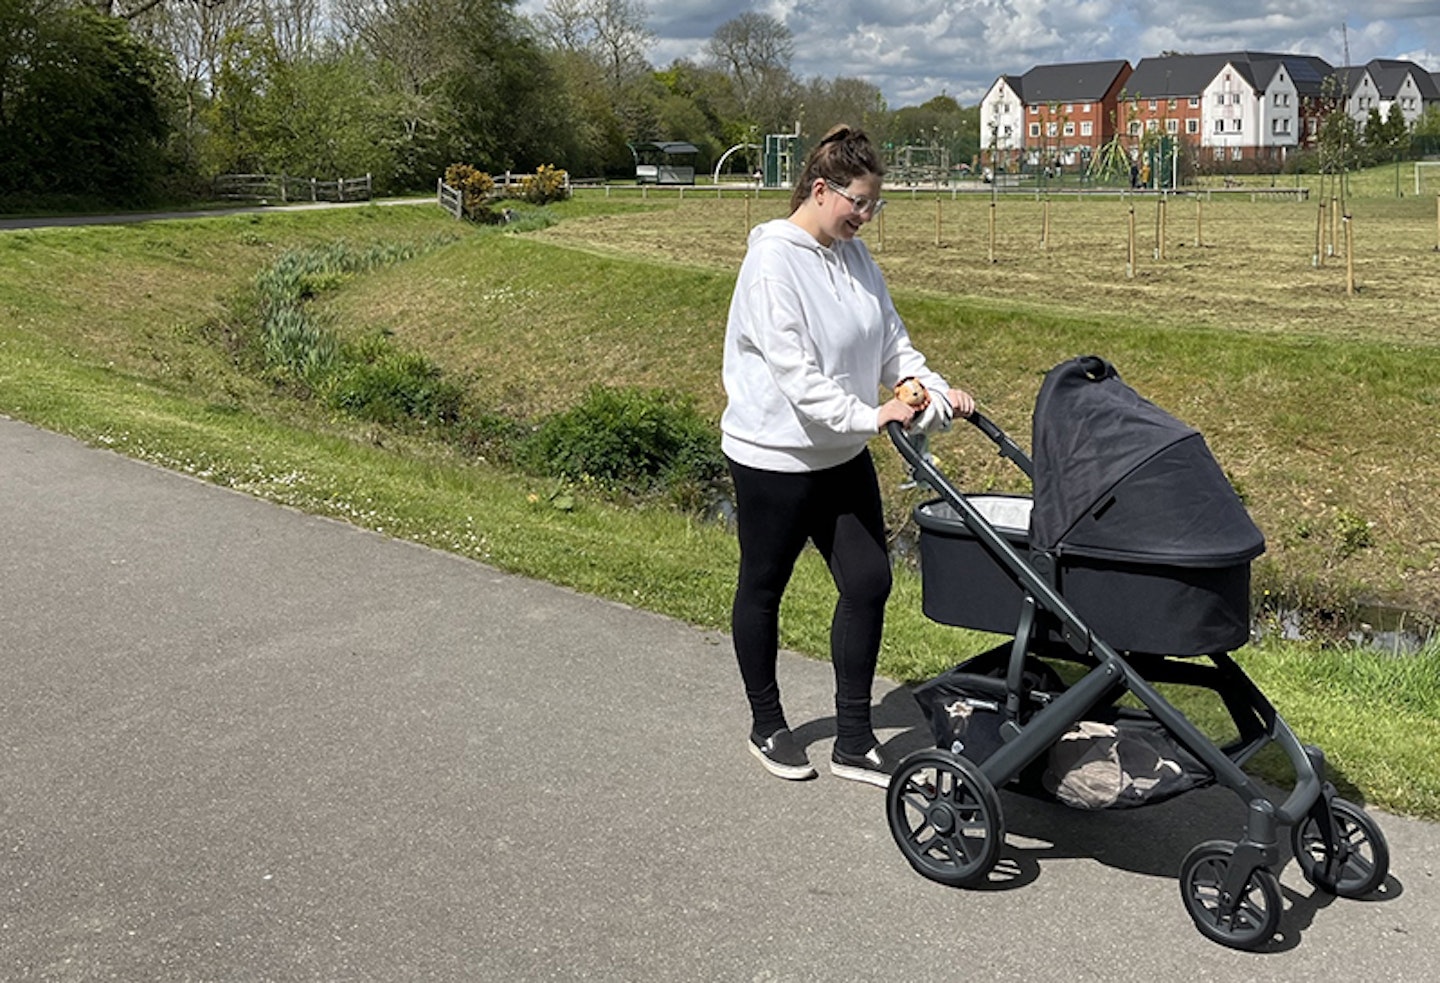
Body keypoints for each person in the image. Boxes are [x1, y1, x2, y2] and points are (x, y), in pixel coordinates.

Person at [720, 124, 975, 787]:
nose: (865, 217)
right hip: (774, 456)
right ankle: (767, 722)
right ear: (821, 188)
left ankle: (855, 738)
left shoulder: (856, 259)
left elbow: (892, 341)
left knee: (868, 582)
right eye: (858, 203)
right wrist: (873, 415)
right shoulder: (772, 262)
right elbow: (796, 376)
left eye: (874, 206)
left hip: (841, 454)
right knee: (763, 586)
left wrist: (933, 389)